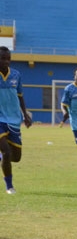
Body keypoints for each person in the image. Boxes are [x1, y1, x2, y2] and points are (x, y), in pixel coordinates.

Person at [0, 46, 32, 195]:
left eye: (8, 58)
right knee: (6, 152)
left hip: (13, 118)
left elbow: (20, 95)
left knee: (16, 157)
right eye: (2, 58)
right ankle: (9, 186)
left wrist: (25, 114)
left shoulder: (16, 75)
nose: (6, 61)